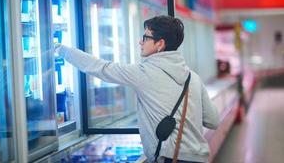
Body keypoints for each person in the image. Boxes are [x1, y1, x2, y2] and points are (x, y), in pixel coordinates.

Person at [55, 15, 219, 163]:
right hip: (199, 157)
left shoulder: (144, 73)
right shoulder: (193, 78)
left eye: (145, 37)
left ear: (160, 44)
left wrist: (60, 49)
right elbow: (213, 121)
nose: (140, 42)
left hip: (170, 158)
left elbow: (101, 68)